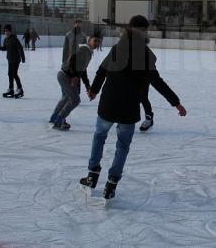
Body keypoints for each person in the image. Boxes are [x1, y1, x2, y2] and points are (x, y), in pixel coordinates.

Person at [80, 15, 187, 200]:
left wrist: (94, 89)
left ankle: (92, 175)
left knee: (99, 136)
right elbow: (157, 82)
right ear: (144, 31)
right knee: (122, 146)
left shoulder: (117, 48)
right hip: (128, 109)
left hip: (108, 105)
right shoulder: (145, 54)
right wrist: (175, 102)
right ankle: (112, 183)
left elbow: (102, 71)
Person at [50, 30, 101, 130]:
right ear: (89, 40)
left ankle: (54, 117)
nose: (97, 44)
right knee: (75, 99)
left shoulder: (88, 52)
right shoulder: (84, 50)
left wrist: (87, 86)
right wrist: (74, 76)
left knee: (66, 97)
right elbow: (72, 59)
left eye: (99, 42)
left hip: (64, 75)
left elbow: (83, 71)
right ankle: (59, 121)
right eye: (95, 41)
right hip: (66, 75)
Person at [0, 24, 26, 98]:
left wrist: (23, 57)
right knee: (10, 74)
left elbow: (20, 47)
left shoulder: (14, 39)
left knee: (14, 74)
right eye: (5, 31)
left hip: (16, 59)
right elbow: (4, 48)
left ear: (10, 31)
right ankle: (11, 89)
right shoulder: (6, 39)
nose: (6, 32)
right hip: (10, 59)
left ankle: (20, 89)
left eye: (7, 31)